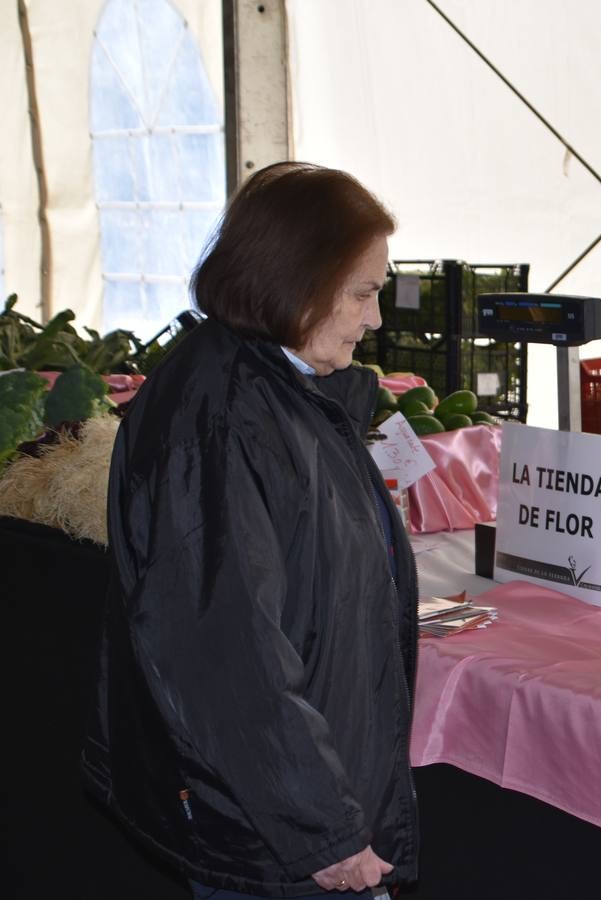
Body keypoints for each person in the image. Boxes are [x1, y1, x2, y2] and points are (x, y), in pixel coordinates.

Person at [83, 162, 419, 898]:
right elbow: (226, 649)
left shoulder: (282, 390)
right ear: (298, 278)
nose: (375, 319)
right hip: (278, 833)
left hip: (294, 814)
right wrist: (321, 832)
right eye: (363, 293)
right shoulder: (220, 420)